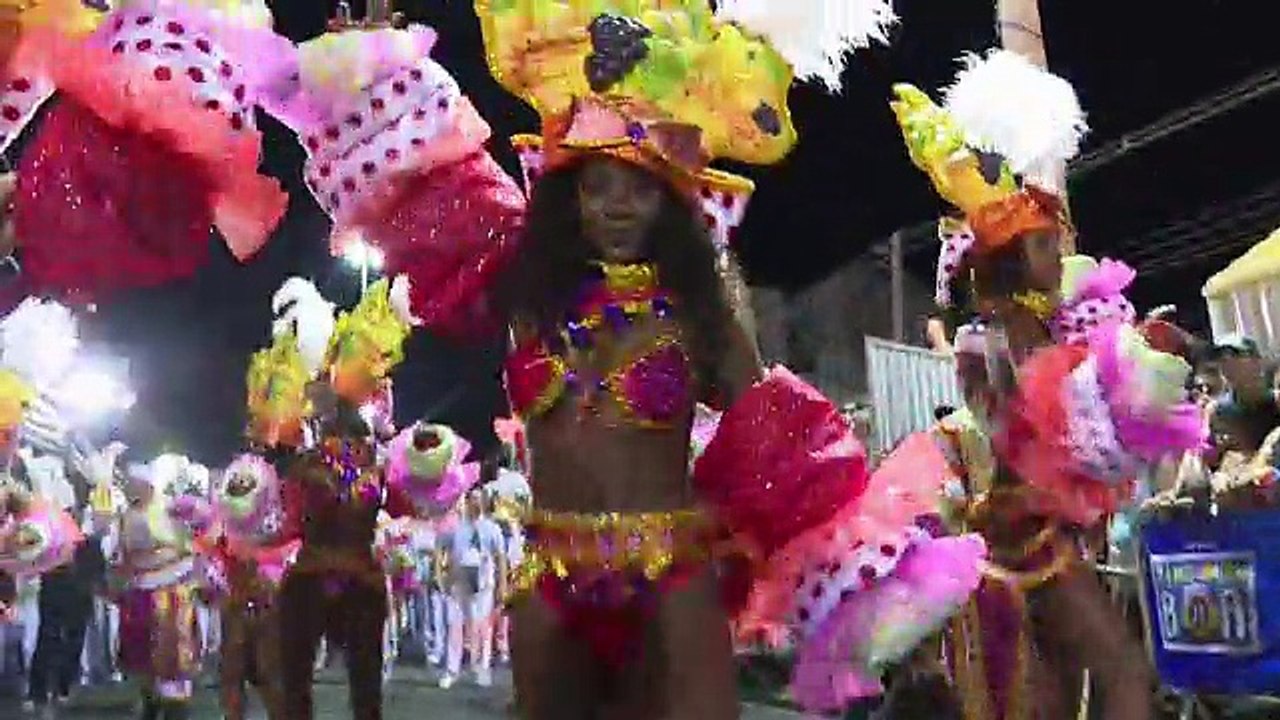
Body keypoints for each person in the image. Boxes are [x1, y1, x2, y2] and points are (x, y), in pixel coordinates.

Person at [895, 51, 1202, 720]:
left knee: (1056, 691)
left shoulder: (1041, 327)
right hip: (1024, 535)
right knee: (1118, 668)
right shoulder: (993, 339)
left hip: (1050, 532)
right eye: (1042, 245)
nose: (1059, 253)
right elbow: (1039, 430)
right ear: (1008, 261)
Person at [114, 461, 202, 720]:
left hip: (171, 588)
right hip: (141, 588)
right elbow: (124, 554)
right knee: (141, 648)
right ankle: (150, 698)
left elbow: (190, 544)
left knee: (173, 645)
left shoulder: (170, 510)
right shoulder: (128, 515)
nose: (134, 488)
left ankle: (174, 700)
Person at [437, 487, 506, 689]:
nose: (475, 503)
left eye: (478, 499)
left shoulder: (492, 529)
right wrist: (442, 576)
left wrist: (502, 584)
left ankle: (482, 667)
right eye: (471, 499)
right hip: (460, 580)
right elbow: (442, 550)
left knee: (482, 625)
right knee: (455, 624)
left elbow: (500, 557)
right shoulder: (456, 528)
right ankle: (452, 669)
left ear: (484, 503)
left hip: (483, 582)